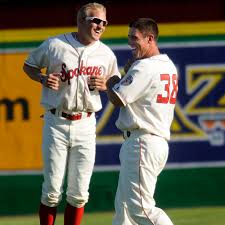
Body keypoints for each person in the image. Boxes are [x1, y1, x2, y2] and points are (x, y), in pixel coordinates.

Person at [23, 2, 120, 225]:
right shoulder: (55, 44)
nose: (101, 26)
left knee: (79, 194)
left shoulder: (105, 53)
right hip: (56, 121)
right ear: (80, 21)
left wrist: (105, 84)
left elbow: (114, 82)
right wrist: (42, 78)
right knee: (51, 190)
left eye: (104, 22)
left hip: (86, 124)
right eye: (96, 20)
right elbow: (29, 65)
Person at [106, 18, 178, 225]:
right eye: (129, 36)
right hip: (152, 142)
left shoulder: (145, 67)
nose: (130, 42)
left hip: (142, 142)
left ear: (150, 38)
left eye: (135, 37)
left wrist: (112, 78)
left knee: (141, 210)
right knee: (124, 210)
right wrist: (128, 73)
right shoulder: (167, 64)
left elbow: (116, 98)